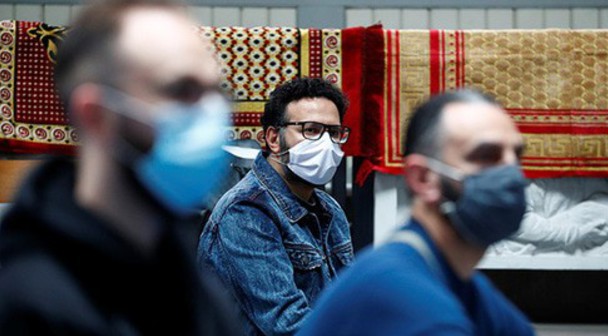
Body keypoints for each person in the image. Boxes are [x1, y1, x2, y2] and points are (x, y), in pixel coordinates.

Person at [0, 0, 240, 334]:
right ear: (95, 115)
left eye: (215, 92)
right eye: (182, 90)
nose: (210, 113)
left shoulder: (191, 279)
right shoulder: (25, 299)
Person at [298, 90, 535, 335]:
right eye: (486, 156)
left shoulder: (462, 283)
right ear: (422, 178)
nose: (511, 174)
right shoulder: (397, 293)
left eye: (516, 157)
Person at [198, 77, 354, 335]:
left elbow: (347, 302)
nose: (326, 144)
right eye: (311, 130)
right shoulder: (245, 212)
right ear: (273, 138)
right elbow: (287, 325)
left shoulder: (330, 210)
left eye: (334, 133)